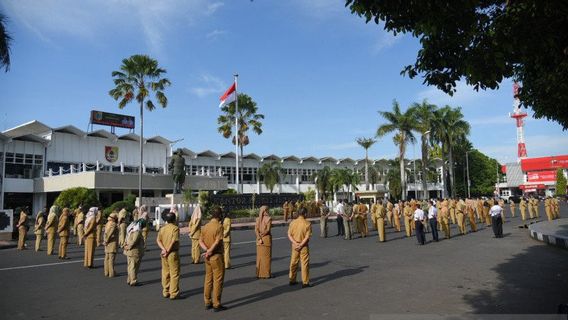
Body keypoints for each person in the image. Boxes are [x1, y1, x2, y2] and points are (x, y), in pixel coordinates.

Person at [199, 206, 227, 312]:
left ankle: (207, 301)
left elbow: (200, 241)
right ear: (219, 215)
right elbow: (217, 241)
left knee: (208, 279)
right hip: (216, 255)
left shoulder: (205, 226)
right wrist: (210, 251)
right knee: (218, 280)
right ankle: (216, 303)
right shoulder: (219, 226)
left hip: (207, 257)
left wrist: (206, 250)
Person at [157, 211, 180, 300]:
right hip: (172, 253)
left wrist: (163, 249)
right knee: (174, 273)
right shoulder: (175, 228)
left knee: (165, 272)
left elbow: (158, 240)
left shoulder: (162, 228)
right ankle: (173, 293)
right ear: (174, 219)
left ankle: (165, 291)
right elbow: (173, 241)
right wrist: (168, 250)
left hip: (163, 253)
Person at [288, 207, 312, 288]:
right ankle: (305, 282)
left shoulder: (293, 223)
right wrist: (301, 244)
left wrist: (295, 243)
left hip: (294, 245)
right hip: (303, 245)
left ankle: (292, 279)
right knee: (304, 263)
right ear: (305, 214)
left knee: (293, 262)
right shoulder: (307, 223)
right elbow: (307, 237)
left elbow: (289, 235)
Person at [124, 215, 146, 286]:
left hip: (129, 251)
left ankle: (129, 279)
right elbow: (134, 241)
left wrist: (126, 246)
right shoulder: (137, 231)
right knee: (134, 266)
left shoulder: (131, 229)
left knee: (130, 266)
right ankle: (133, 280)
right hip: (135, 251)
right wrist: (129, 246)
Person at [255, 205, 272, 279]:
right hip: (266, 240)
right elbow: (268, 230)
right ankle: (266, 274)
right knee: (267, 258)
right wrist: (262, 236)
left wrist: (259, 237)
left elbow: (256, 230)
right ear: (265, 211)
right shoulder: (268, 219)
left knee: (259, 257)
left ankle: (259, 274)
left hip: (259, 241)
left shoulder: (257, 219)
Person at [103, 212, 119, 277]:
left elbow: (105, 233)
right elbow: (110, 233)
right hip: (112, 242)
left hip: (107, 242)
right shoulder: (113, 224)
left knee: (106, 258)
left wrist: (105, 240)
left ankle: (106, 272)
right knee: (111, 259)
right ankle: (111, 273)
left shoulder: (107, 223)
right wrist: (107, 240)